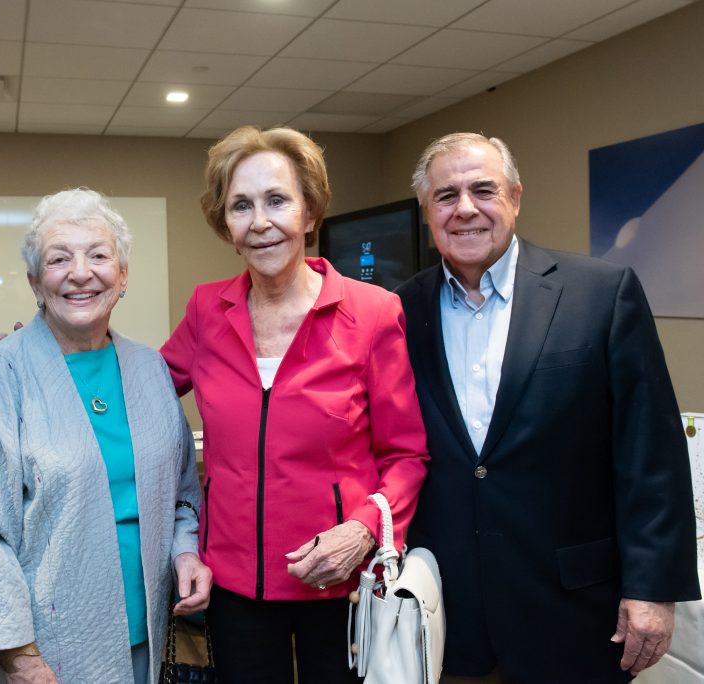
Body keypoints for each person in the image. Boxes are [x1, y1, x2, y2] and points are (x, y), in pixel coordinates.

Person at [397, 132, 701, 684]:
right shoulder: (399, 311)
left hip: (574, 611)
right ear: (427, 211)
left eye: (483, 190)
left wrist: (652, 588)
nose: (465, 209)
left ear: (515, 196)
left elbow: (650, 452)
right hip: (448, 613)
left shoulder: (601, 293)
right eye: (446, 196)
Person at [159, 126, 430, 683]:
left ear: (309, 214)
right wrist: (57, 357)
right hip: (234, 585)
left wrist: (361, 531)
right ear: (227, 226)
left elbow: (407, 455)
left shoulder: (373, 313)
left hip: (339, 585)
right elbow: (142, 387)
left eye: (277, 200)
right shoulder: (208, 309)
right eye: (241, 206)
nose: (261, 222)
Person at [0, 188, 211, 684]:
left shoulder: (150, 369)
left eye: (99, 255)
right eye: (59, 259)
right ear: (36, 282)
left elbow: (182, 490)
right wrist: (22, 660)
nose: (80, 272)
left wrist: (185, 550)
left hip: (147, 629)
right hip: (43, 651)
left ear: (122, 276)